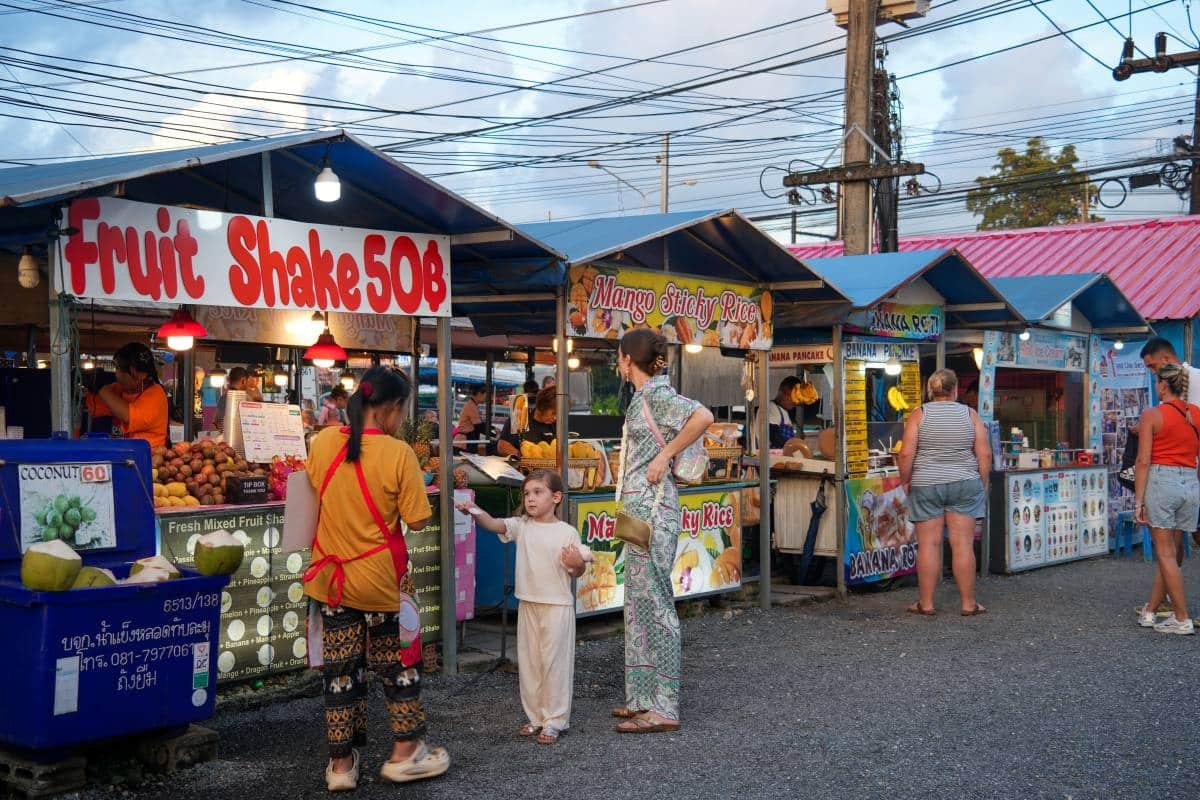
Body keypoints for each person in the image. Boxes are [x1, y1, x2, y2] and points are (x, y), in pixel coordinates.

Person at [303, 367, 450, 791]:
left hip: (332, 580)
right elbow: (418, 519)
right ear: (391, 408)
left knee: (341, 672)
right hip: (382, 583)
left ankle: (341, 765)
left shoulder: (325, 441)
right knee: (398, 665)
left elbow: (316, 488)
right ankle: (405, 753)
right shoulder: (399, 453)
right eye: (403, 410)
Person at [612, 328, 713, 734]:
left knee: (654, 601)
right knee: (637, 602)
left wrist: (665, 456)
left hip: (653, 511)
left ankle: (665, 706)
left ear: (625, 360)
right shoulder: (645, 395)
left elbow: (703, 415)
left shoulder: (656, 394)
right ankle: (642, 697)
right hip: (641, 510)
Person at [455, 470, 592, 744]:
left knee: (554, 664)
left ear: (556, 497)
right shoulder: (522, 525)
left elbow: (577, 570)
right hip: (528, 602)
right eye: (526, 493)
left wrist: (576, 562)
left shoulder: (567, 532)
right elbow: (494, 524)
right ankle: (535, 718)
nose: (530, 499)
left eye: (537, 492)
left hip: (557, 605)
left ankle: (554, 720)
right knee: (530, 663)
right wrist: (474, 509)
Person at [898, 368, 991, 616]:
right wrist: (981, 483)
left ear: (930, 391)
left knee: (929, 543)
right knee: (962, 544)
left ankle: (926, 604)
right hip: (965, 482)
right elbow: (984, 453)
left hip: (926, 482)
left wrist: (905, 480)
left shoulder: (920, 414)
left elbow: (906, 453)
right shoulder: (970, 414)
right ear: (956, 389)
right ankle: (968, 604)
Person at [1133, 363, 1200, 635]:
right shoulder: (1196, 413)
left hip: (1162, 481)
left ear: (1163, 384)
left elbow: (1143, 460)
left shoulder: (1152, 414)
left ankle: (1181, 618)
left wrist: (1138, 501)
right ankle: (1150, 611)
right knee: (1170, 553)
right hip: (1190, 483)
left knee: (1165, 553)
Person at [1140, 337, 1200, 548]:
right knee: (1173, 548)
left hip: (1183, 474)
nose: (1152, 373)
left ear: (1166, 359)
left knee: (1171, 550)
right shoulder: (1168, 391)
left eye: (1153, 367)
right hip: (1186, 476)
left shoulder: (1196, 380)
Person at [94, 343, 169, 449]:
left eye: (118, 369)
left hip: (149, 460)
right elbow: (93, 406)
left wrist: (101, 388)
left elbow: (127, 416)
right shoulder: (119, 389)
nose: (116, 374)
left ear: (133, 371)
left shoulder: (156, 394)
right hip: (123, 458)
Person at [496, 386, 556, 457]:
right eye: (553, 413)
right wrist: (524, 456)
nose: (556, 417)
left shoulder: (555, 424)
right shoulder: (521, 416)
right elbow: (502, 446)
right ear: (542, 406)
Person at [765, 376, 801, 449]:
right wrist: (794, 446)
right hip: (773, 457)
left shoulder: (782, 410)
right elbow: (773, 436)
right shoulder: (771, 408)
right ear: (783, 390)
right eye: (793, 397)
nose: (795, 401)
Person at [213, 367, 249, 432]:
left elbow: (217, 421)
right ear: (243, 381)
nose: (247, 385)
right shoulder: (247, 399)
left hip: (224, 437)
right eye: (247, 382)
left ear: (229, 380)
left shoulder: (223, 397)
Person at [454, 385, 488, 452]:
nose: (486, 398)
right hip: (464, 442)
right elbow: (479, 426)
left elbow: (480, 424)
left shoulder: (473, 405)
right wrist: (494, 434)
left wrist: (493, 429)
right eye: (485, 395)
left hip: (468, 440)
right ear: (479, 394)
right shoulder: (471, 406)